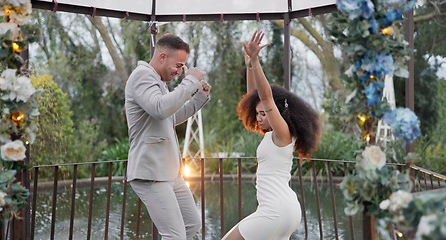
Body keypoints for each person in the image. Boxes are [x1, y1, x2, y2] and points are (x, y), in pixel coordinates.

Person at [222, 30, 321, 240]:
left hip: (274, 210)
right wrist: (249, 65)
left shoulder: (282, 134)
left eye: (264, 113)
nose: (258, 117)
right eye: (257, 113)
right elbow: (254, 97)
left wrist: (257, 62)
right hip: (286, 210)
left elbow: (266, 97)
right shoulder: (273, 136)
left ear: (278, 113)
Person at [124, 33, 211, 240]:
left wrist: (200, 97)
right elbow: (160, 109)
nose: (180, 72)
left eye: (183, 68)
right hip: (151, 172)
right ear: (162, 57)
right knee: (174, 235)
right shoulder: (142, 76)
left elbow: (171, 117)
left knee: (192, 224)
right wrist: (189, 81)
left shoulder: (160, 83)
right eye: (179, 65)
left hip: (170, 172)